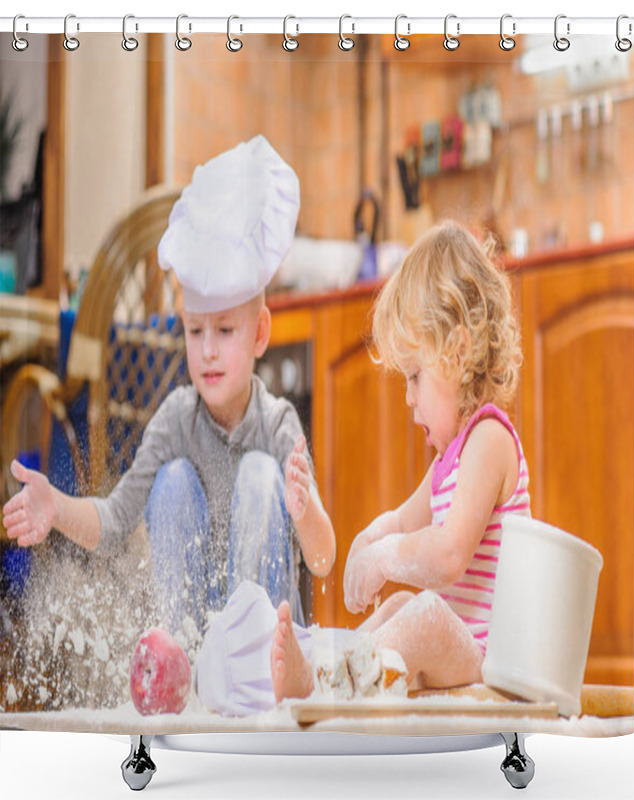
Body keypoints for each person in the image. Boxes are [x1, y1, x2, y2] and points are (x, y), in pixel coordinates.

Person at [1, 136, 335, 637]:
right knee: (172, 479)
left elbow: (325, 558)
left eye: (225, 330)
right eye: (195, 330)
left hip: (269, 660)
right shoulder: (177, 418)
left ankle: (252, 658)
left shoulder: (277, 423)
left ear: (260, 333)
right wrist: (56, 507)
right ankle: (186, 661)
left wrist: (304, 512)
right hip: (197, 651)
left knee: (261, 475)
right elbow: (114, 522)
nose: (207, 350)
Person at [195, 220, 532, 713]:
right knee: (401, 608)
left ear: (459, 351)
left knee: (425, 614)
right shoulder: (449, 459)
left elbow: (448, 554)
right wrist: (367, 543)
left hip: (491, 659)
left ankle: (326, 686)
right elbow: (402, 520)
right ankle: (324, 672)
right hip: (458, 652)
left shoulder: (490, 440)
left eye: (415, 376)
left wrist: (386, 558)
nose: (409, 399)